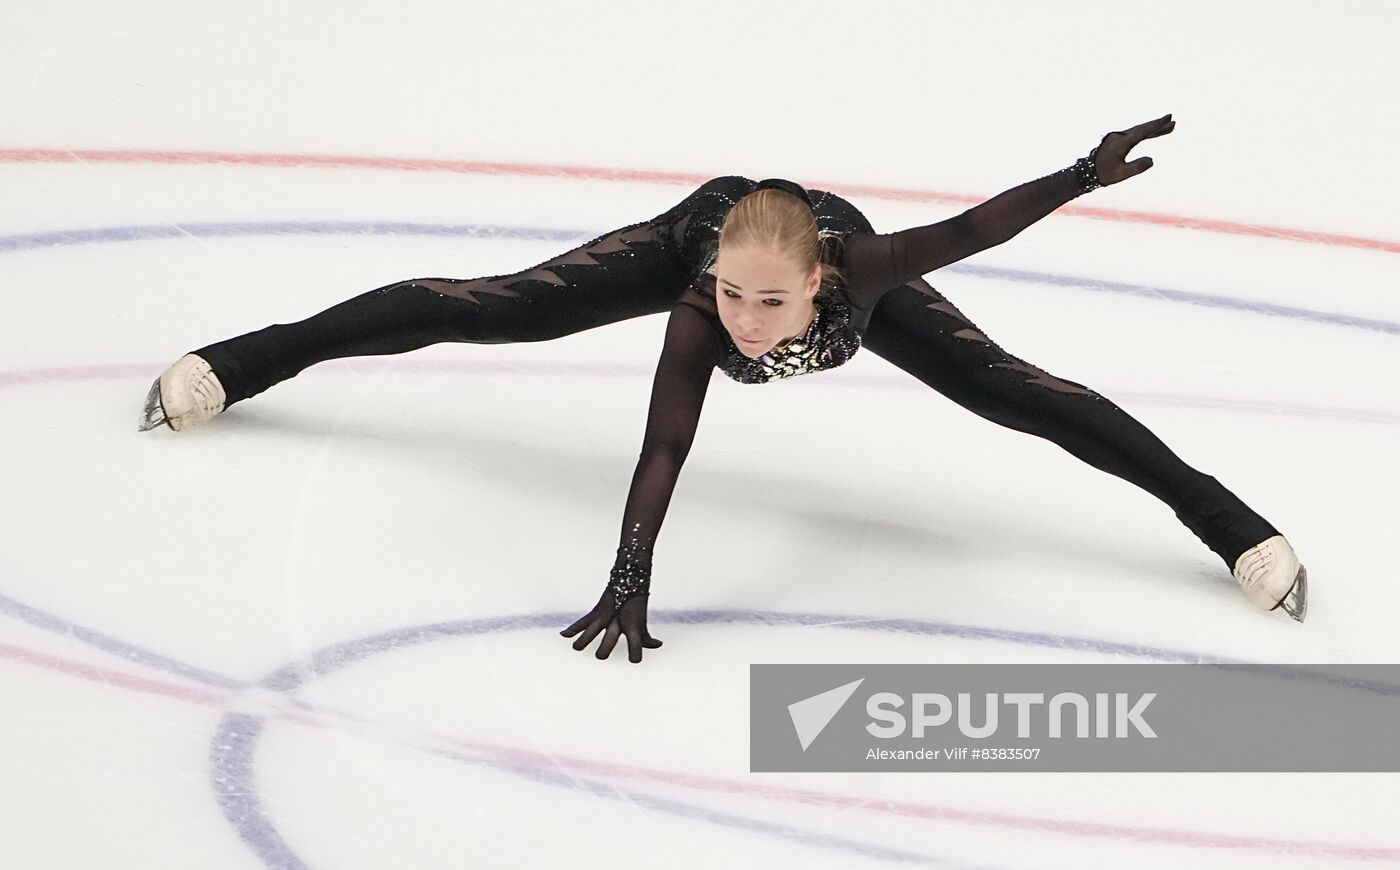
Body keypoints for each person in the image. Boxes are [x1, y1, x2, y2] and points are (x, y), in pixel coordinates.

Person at [138, 113, 1307, 663]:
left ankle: (1235, 528)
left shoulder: (867, 272)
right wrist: (628, 577)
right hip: (697, 223)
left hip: (808, 239)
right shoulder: (698, 301)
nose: (745, 326)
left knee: (1022, 393)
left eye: (767, 306)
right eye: (729, 303)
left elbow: (972, 226)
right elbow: (663, 449)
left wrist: (1077, 172)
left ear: (817, 288)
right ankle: (236, 363)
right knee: (474, 308)